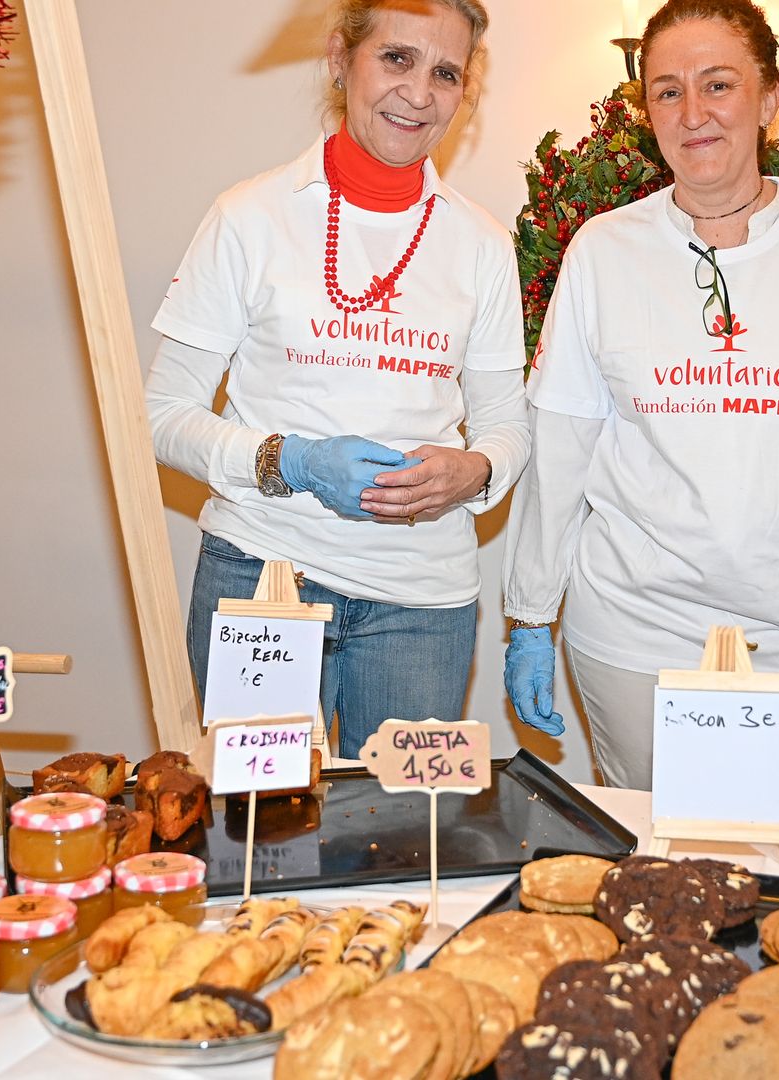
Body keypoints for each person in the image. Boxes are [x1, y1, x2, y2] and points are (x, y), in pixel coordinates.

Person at [502, 0, 779, 802]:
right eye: (667, 92)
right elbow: (563, 442)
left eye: (718, 84)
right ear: (645, 112)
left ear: (771, 96)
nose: (694, 113)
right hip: (638, 629)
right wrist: (530, 613)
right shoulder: (604, 252)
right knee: (666, 869)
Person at [145, 0, 526, 757]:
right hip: (261, 579)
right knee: (265, 837)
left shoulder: (482, 244)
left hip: (423, 604)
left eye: (445, 72)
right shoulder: (250, 217)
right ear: (340, 59)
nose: (418, 94)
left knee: (405, 842)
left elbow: (507, 427)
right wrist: (290, 462)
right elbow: (160, 415)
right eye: (396, 59)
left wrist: (475, 471)